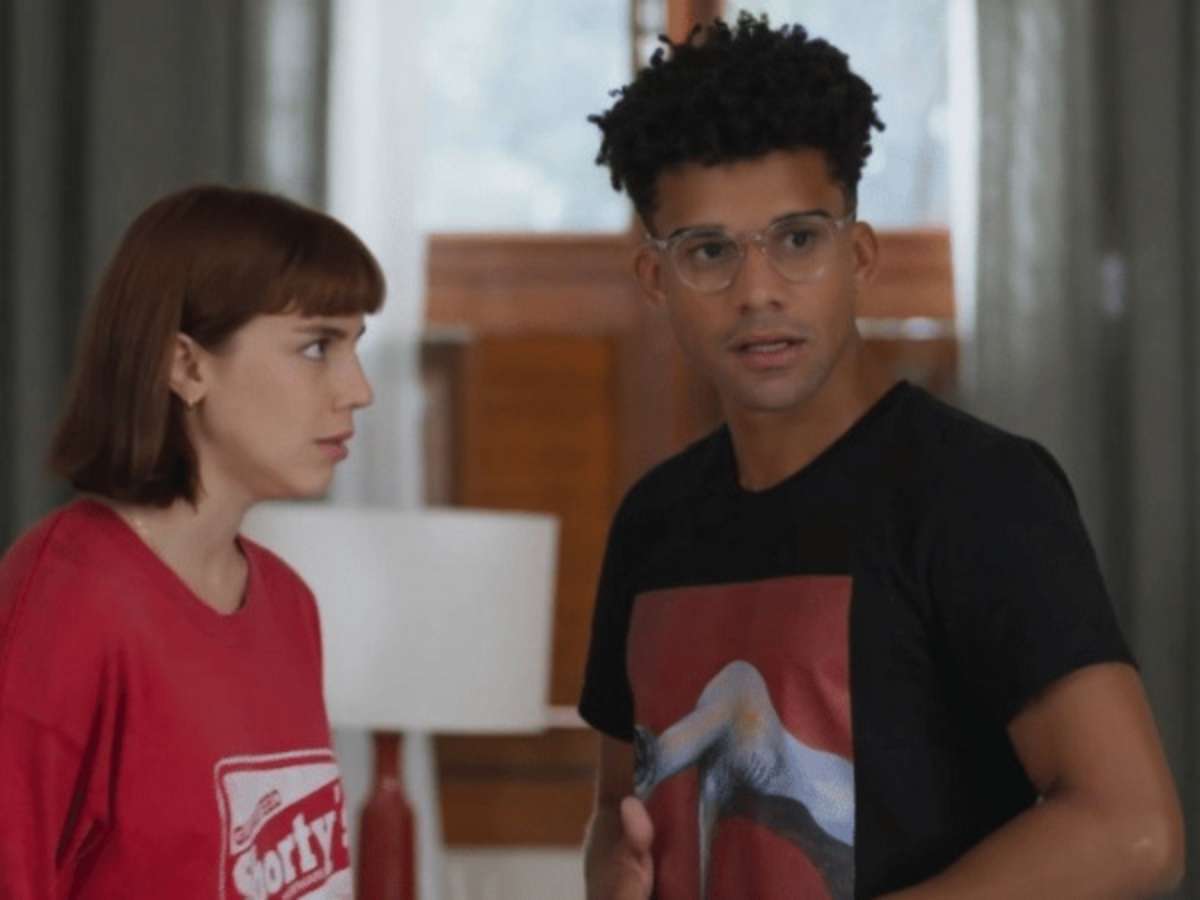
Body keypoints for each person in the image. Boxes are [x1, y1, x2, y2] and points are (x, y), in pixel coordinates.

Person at [578, 14, 1183, 899]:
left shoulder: (980, 493)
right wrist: (614, 876)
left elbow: (1133, 828)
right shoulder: (652, 523)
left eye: (797, 239)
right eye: (708, 252)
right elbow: (615, 810)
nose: (758, 292)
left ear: (858, 256)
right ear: (654, 281)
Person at [0, 185, 383, 898]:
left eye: (355, 345)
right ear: (186, 365)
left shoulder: (289, 604)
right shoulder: (68, 601)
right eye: (316, 346)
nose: (358, 390)